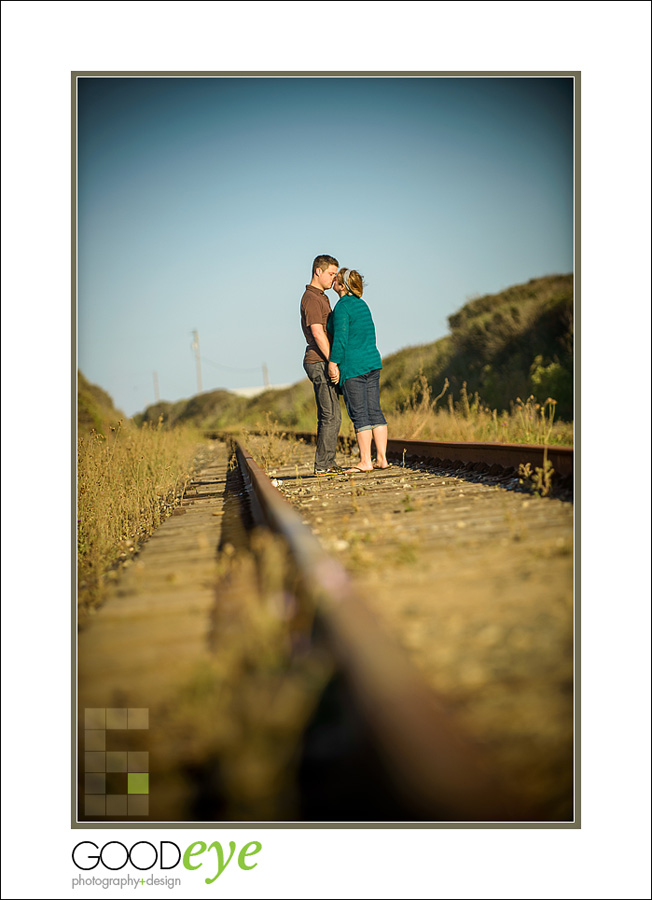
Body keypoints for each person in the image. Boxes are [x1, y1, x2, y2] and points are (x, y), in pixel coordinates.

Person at [328, 268, 391, 472]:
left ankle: (365, 461)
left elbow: (340, 339)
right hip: (372, 363)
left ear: (343, 285)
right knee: (375, 411)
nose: (333, 281)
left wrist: (333, 363)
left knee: (360, 414)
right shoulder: (363, 304)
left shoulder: (342, 307)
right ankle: (382, 459)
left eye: (336, 278)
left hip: (354, 367)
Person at [300, 254, 347, 476]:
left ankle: (327, 463)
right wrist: (332, 362)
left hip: (321, 360)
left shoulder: (320, 296)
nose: (334, 279)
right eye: (331, 274)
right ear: (318, 271)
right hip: (319, 361)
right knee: (330, 416)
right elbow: (318, 333)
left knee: (332, 415)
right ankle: (323, 465)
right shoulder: (311, 298)